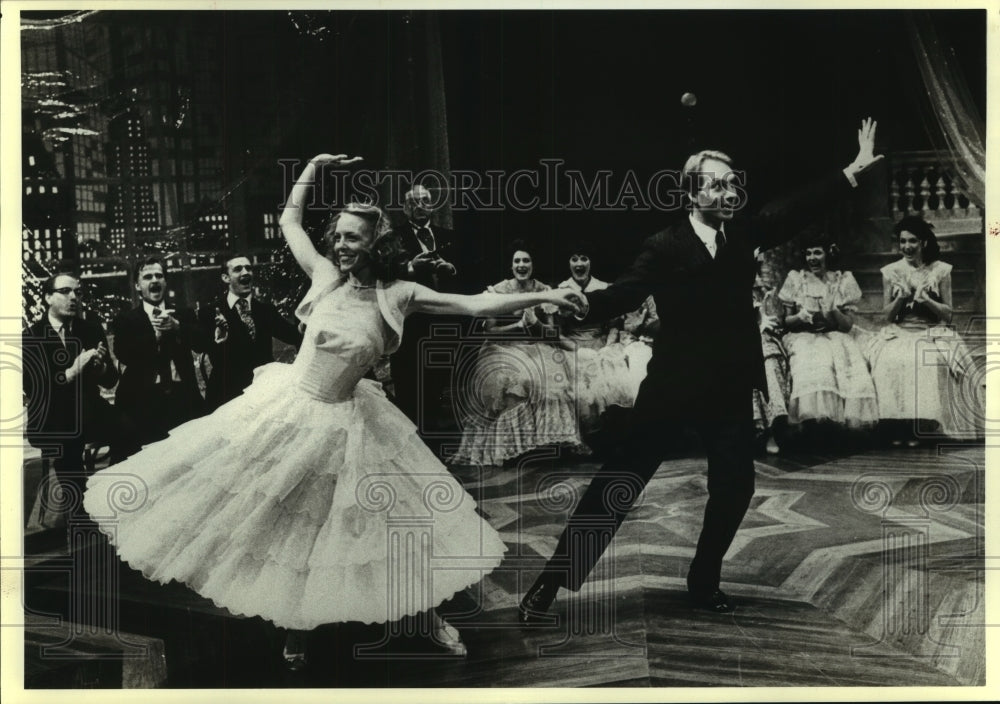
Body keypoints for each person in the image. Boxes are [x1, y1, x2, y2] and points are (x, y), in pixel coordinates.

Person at [83, 153, 584, 667]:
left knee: (387, 527)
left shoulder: (399, 293)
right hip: (286, 412)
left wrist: (550, 294)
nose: (342, 246)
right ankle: (297, 625)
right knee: (289, 527)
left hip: (352, 421)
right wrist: (316, 166)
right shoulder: (322, 273)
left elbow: (476, 304)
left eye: (353, 238)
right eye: (339, 236)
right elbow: (288, 220)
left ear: (376, 243)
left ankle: (425, 614)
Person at [519, 119, 884, 622]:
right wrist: (576, 304)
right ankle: (551, 581)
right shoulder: (664, 244)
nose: (728, 190)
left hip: (729, 385)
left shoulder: (743, 234)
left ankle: (703, 578)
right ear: (691, 191)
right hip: (672, 383)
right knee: (620, 481)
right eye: (716, 182)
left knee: (736, 487)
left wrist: (852, 171)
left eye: (733, 182)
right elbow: (624, 293)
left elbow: (793, 211)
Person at [450, 241, 588, 466]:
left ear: (533, 264)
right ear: (511, 266)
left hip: (536, 345)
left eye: (526, 260)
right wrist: (519, 326)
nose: (522, 265)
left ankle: (547, 444)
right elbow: (490, 333)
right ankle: (512, 448)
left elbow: (553, 332)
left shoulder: (544, 291)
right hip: (503, 347)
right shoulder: (498, 291)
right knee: (519, 379)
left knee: (552, 378)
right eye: (517, 261)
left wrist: (535, 326)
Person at [23, 271, 139, 534]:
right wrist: (72, 371)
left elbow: (110, 381)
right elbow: (33, 388)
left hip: (89, 411)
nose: (74, 297)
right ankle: (80, 513)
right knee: (67, 438)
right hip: (51, 417)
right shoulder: (30, 336)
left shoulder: (90, 329)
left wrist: (99, 369)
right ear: (47, 298)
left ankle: (109, 494)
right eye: (65, 291)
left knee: (131, 429)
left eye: (77, 292)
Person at [865, 216, 978, 445]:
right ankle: (898, 427)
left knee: (923, 362)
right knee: (890, 360)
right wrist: (901, 298)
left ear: (923, 243)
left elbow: (948, 314)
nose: (907, 247)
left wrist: (926, 300)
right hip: (900, 332)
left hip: (931, 332)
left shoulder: (941, 270)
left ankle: (921, 426)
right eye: (903, 241)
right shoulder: (891, 271)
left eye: (912, 241)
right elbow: (887, 315)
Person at [776, 236, 877, 434]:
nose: (812, 258)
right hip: (803, 336)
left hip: (835, 335)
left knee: (847, 362)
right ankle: (812, 423)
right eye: (808, 253)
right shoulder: (797, 279)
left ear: (827, 254)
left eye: (817, 252)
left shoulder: (842, 280)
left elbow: (847, 326)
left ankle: (837, 426)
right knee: (814, 363)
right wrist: (801, 316)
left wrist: (833, 311)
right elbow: (786, 323)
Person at [113, 257, 205, 447]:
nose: (154, 280)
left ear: (165, 282)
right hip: (143, 399)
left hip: (183, 396)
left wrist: (178, 327)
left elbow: (201, 344)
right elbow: (124, 354)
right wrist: (154, 336)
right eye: (147, 277)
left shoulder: (183, 314)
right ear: (138, 286)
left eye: (159, 276)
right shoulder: (126, 320)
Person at [391, 185, 460, 436]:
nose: (420, 206)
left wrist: (450, 269)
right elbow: (385, 276)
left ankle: (433, 449)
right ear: (404, 208)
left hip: (442, 325)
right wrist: (411, 267)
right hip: (409, 327)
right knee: (408, 387)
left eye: (425, 201)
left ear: (432, 205)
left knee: (436, 386)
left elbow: (468, 276)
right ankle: (411, 446)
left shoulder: (450, 236)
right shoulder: (393, 238)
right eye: (413, 202)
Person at [196, 253, 303, 411]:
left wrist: (307, 321)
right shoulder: (209, 312)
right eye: (238, 269)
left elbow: (293, 335)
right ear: (226, 278)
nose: (245, 273)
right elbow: (201, 346)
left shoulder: (266, 310)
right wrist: (218, 336)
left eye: (248, 268)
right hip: (226, 397)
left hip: (263, 394)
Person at [751, 255, 790, 454]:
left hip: (762, 340)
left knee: (769, 361)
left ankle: (771, 431)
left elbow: (777, 323)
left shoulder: (765, 290)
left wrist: (763, 321)